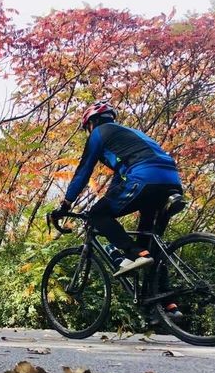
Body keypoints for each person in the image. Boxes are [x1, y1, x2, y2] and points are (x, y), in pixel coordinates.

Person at [52, 100, 184, 318]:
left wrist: (66, 204)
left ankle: (133, 252)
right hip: (171, 181)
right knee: (151, 247)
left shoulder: (99, 133)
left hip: (145, 177)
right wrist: (108, 200)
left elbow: (84, 170)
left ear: (92, 123)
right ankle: (164, 304)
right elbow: (117, 182)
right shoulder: (129, 137)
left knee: (96, 214)